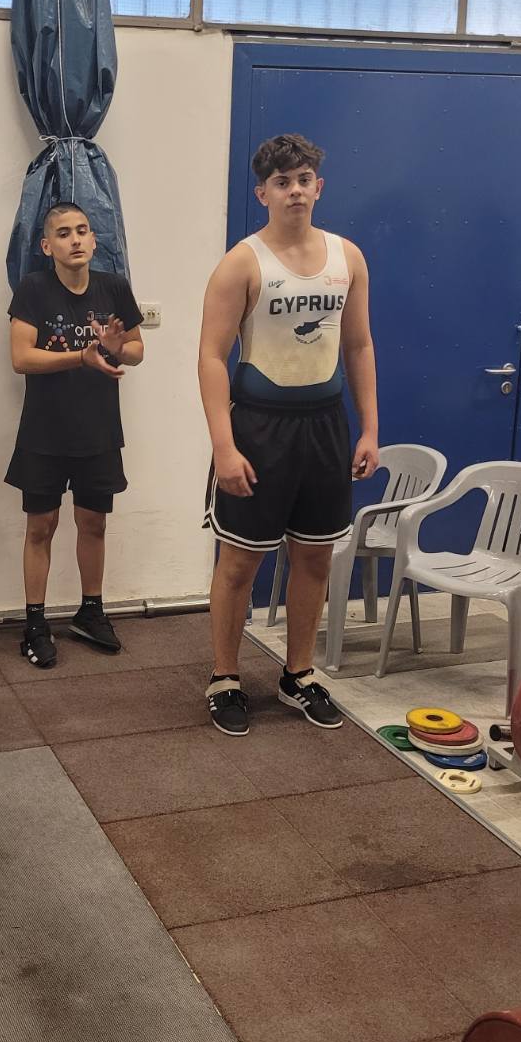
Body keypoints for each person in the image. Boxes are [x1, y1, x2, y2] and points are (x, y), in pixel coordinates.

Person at [198, 133, 378, 736]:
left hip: (325, 426)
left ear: (318, 187)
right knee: (239, 563)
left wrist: (369, 428)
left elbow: (358, 344)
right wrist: (224, 446)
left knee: (314, 556)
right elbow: (211, 356)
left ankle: (298, 674)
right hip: (259, 428)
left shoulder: (348, 257)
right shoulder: (242, 263)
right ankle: (225, 677)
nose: (294, 191)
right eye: (282, 182)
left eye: (303, 180)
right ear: (263, 194)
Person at [6, 203, 144, 668]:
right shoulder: (33, 288)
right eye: (64, 233)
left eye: (83, 230)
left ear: (94, 239)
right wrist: (80, 357)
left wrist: (116, 348)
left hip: (99, 430)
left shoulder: (113, 286)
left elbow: (137, 350)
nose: (76, 239)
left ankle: (91, 611)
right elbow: (21, 358)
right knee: (41, 527)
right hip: (44, 432)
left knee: (94, 523)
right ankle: (35, 622)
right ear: (48, 246)